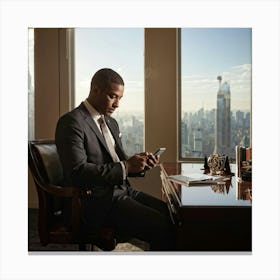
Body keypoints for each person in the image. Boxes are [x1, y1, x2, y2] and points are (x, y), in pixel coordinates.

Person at [55, 68, 175, 251]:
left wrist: (140, 164)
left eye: (120, 98)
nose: (117, 104)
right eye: (113, 96)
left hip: (123, 191)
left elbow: (117, 162)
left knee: (173, 215)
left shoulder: (111, 122)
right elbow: (77, 172)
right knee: (161, 226)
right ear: (95, 90)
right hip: (94, 202)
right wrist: (127, 166)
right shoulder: (71, 122)